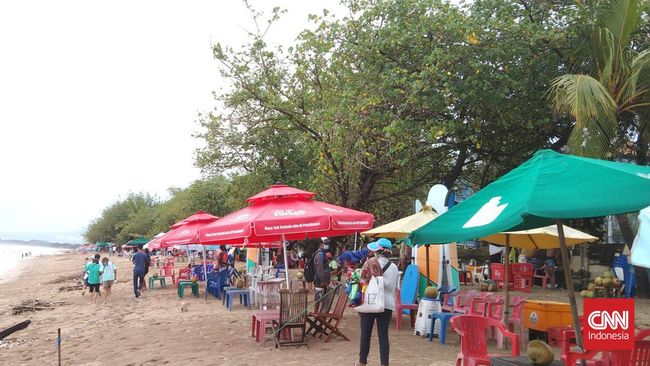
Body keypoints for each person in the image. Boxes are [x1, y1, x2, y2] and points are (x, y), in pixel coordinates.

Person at [356, 238, 398, 366]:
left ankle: (362, 362)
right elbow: (392, 286)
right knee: (383, 335)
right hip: (387, 304)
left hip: (370, 302)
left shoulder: (369, 264)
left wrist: (374, 280)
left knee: (365, 333)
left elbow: (362, 281)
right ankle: (384, 363)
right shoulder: (394, 267)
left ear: (378, 251)